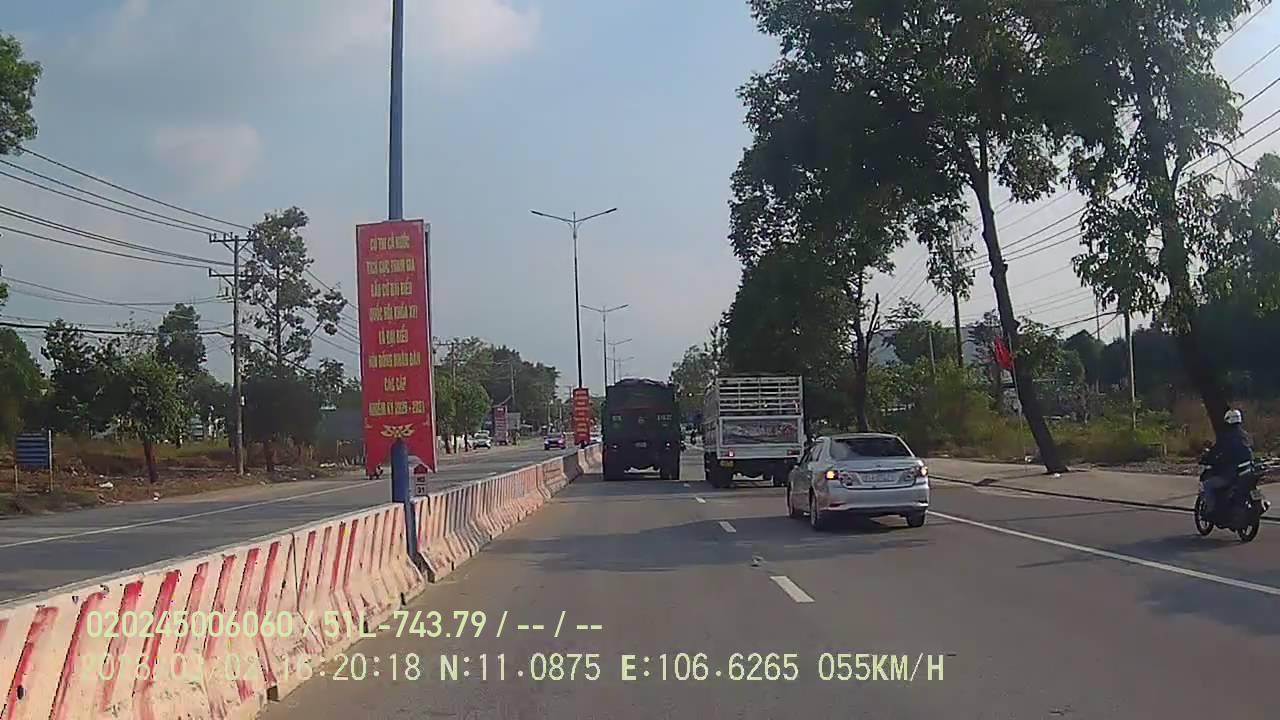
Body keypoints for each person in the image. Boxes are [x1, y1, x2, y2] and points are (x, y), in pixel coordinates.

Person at [1201, 408, 1254, 514]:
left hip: (1231, 473)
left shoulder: (1226, 436)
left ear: (1228, 420)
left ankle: (1211, 511)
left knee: (1208, 485)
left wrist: (1209, 459)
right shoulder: (1245, 435)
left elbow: (1218, 451)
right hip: (1247, 470)